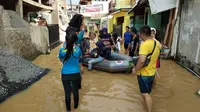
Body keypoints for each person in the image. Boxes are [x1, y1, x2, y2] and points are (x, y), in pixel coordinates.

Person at [132, 25, 161, 112]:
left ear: (143, 34)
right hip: (152, 73)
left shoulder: (144, 45)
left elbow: (141, 61)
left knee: (145, 94)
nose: (140, 37)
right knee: (147, 93)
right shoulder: (157, 43)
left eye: (140, 35)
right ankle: (146, 108)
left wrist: (135, 69)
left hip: (144, 74)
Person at [58, 30, 83, 112]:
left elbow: (61, 60)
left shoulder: (62, 50)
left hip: (65, 74)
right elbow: (79, 59)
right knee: (75, 91)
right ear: (75, 40)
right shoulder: (78, 49)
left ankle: (68, 109)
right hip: (75, 73)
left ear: (66, 40)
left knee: (67, 93)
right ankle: (76, 107)